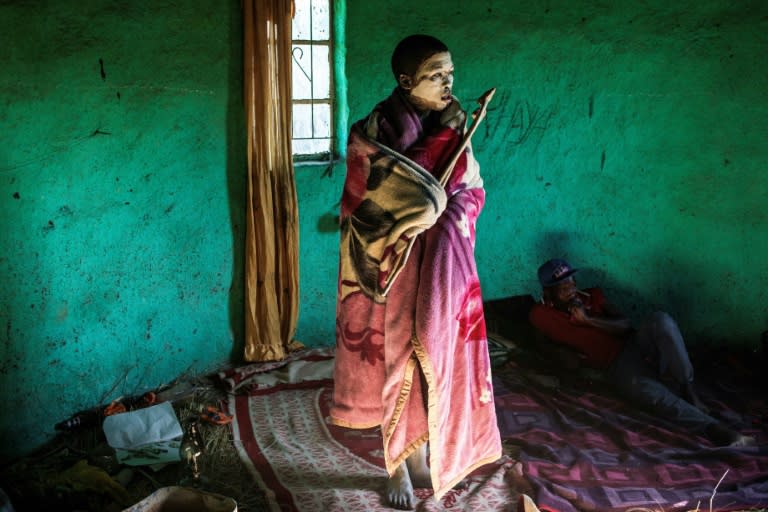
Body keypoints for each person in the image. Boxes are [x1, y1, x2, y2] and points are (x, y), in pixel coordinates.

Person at [329, 35, 501, 509]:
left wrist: (446, 216)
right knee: (397, 362)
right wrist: (426, 190)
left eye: (450, 73)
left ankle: (421, 448)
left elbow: (471, 188)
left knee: (435, 359)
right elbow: (370, 205)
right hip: (391, 269)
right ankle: (395, 464)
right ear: (406, 82)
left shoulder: (456, 122)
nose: (448, 83)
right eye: (436, 75)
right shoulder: (375, 131)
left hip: (441, 266)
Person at [528, 258, 756, 448]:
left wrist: (589, 320)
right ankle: (716, 430)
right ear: (549, 292)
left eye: (571, 282)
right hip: (614, 365)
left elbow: (625, 324)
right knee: (651, 392)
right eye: (563, 288)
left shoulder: (592, 296)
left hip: (635, 343)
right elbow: (543, 347)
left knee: (661, 320)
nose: (571, 289)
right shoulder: (541, 314)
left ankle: (689, 389)